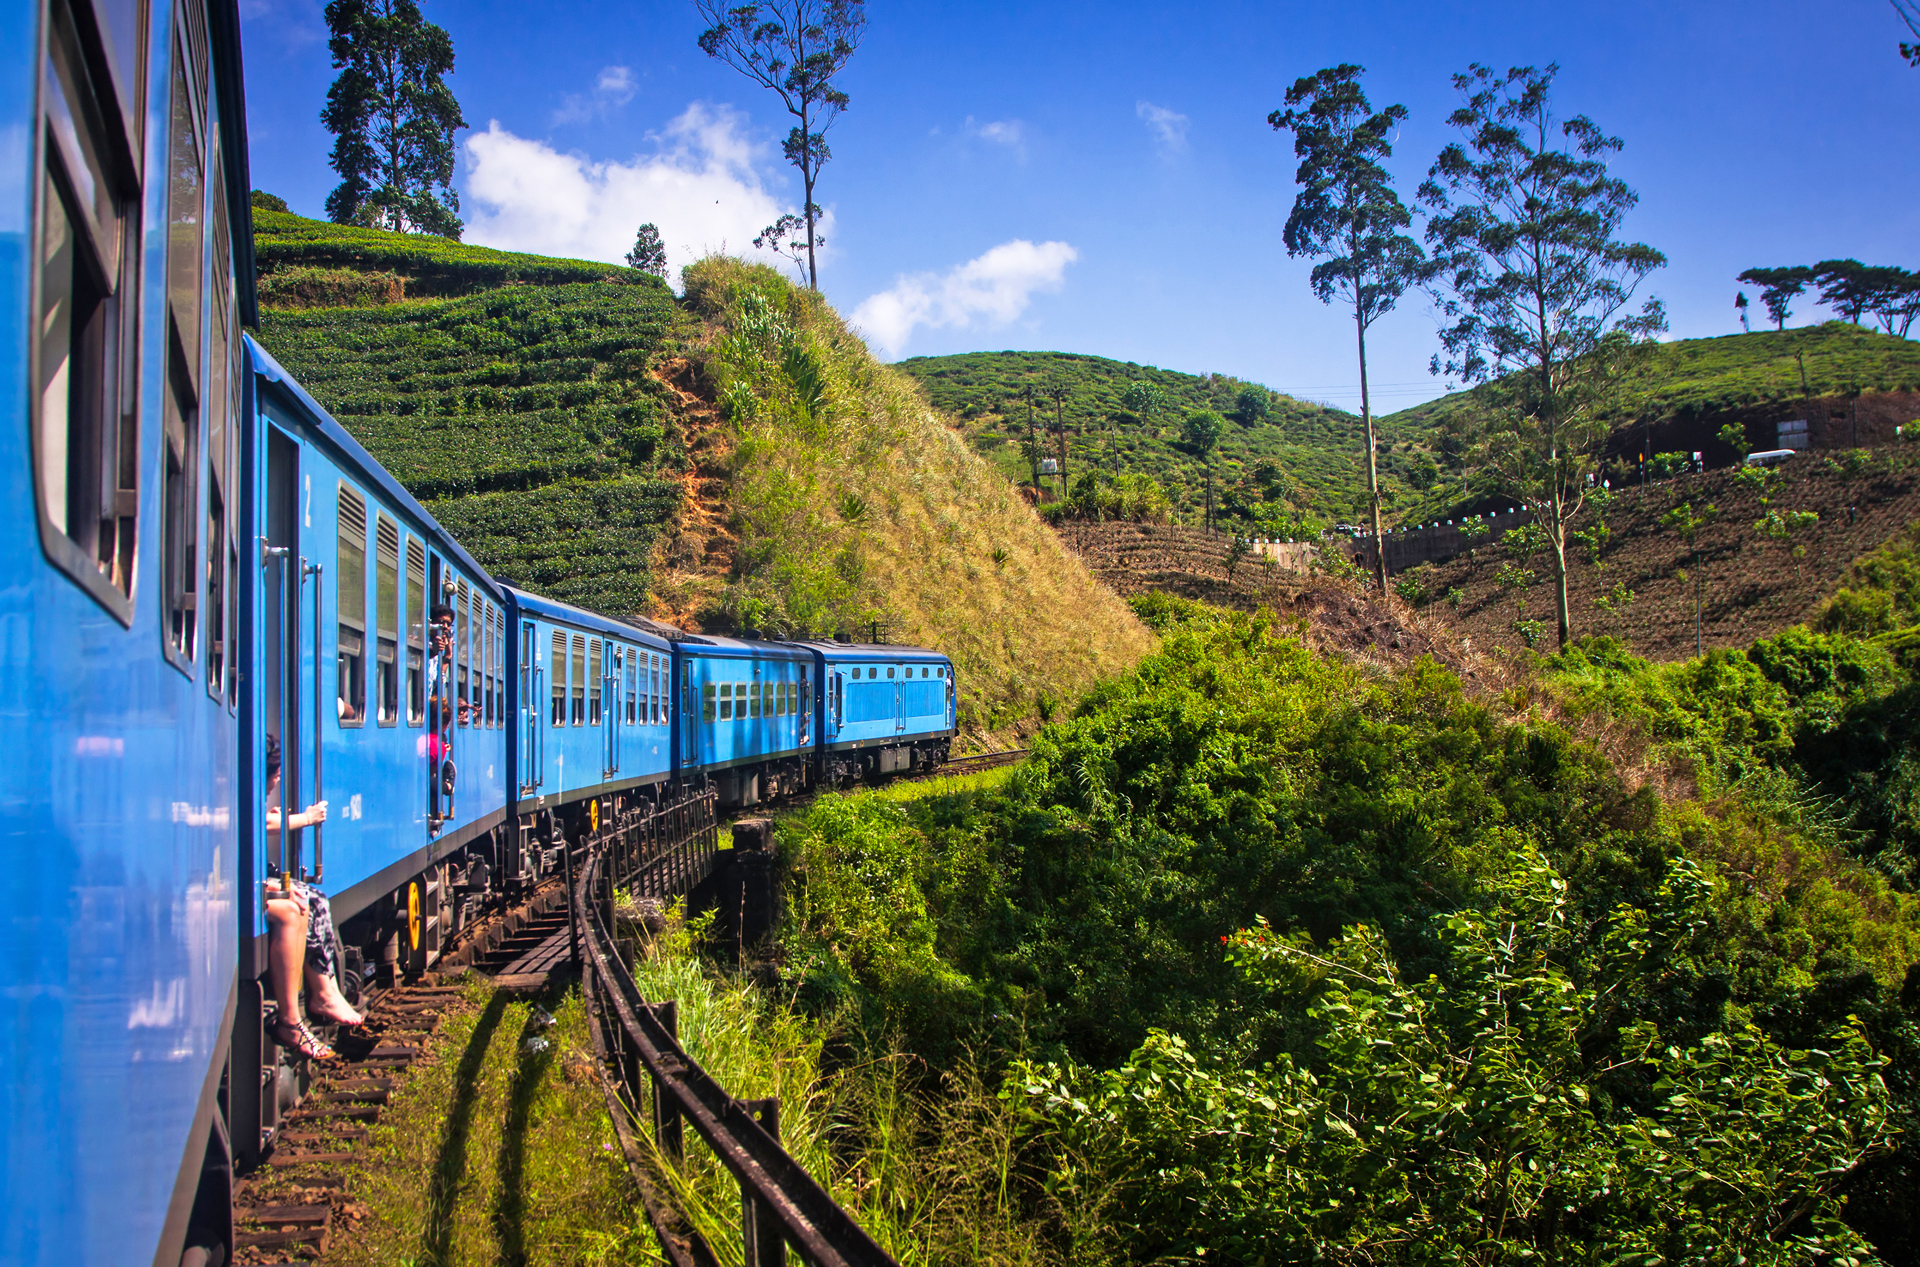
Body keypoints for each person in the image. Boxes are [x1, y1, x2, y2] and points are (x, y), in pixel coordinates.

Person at [262, 736, 362, 1060]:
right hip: (247, 885)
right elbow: (262, 823)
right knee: (299, 906)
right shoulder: (243, 790)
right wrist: (307, 818)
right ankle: (299, 1013)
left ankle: (325, 990)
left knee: (315, 900)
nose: (277, 780)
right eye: (275, 774)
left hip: (256, 879)